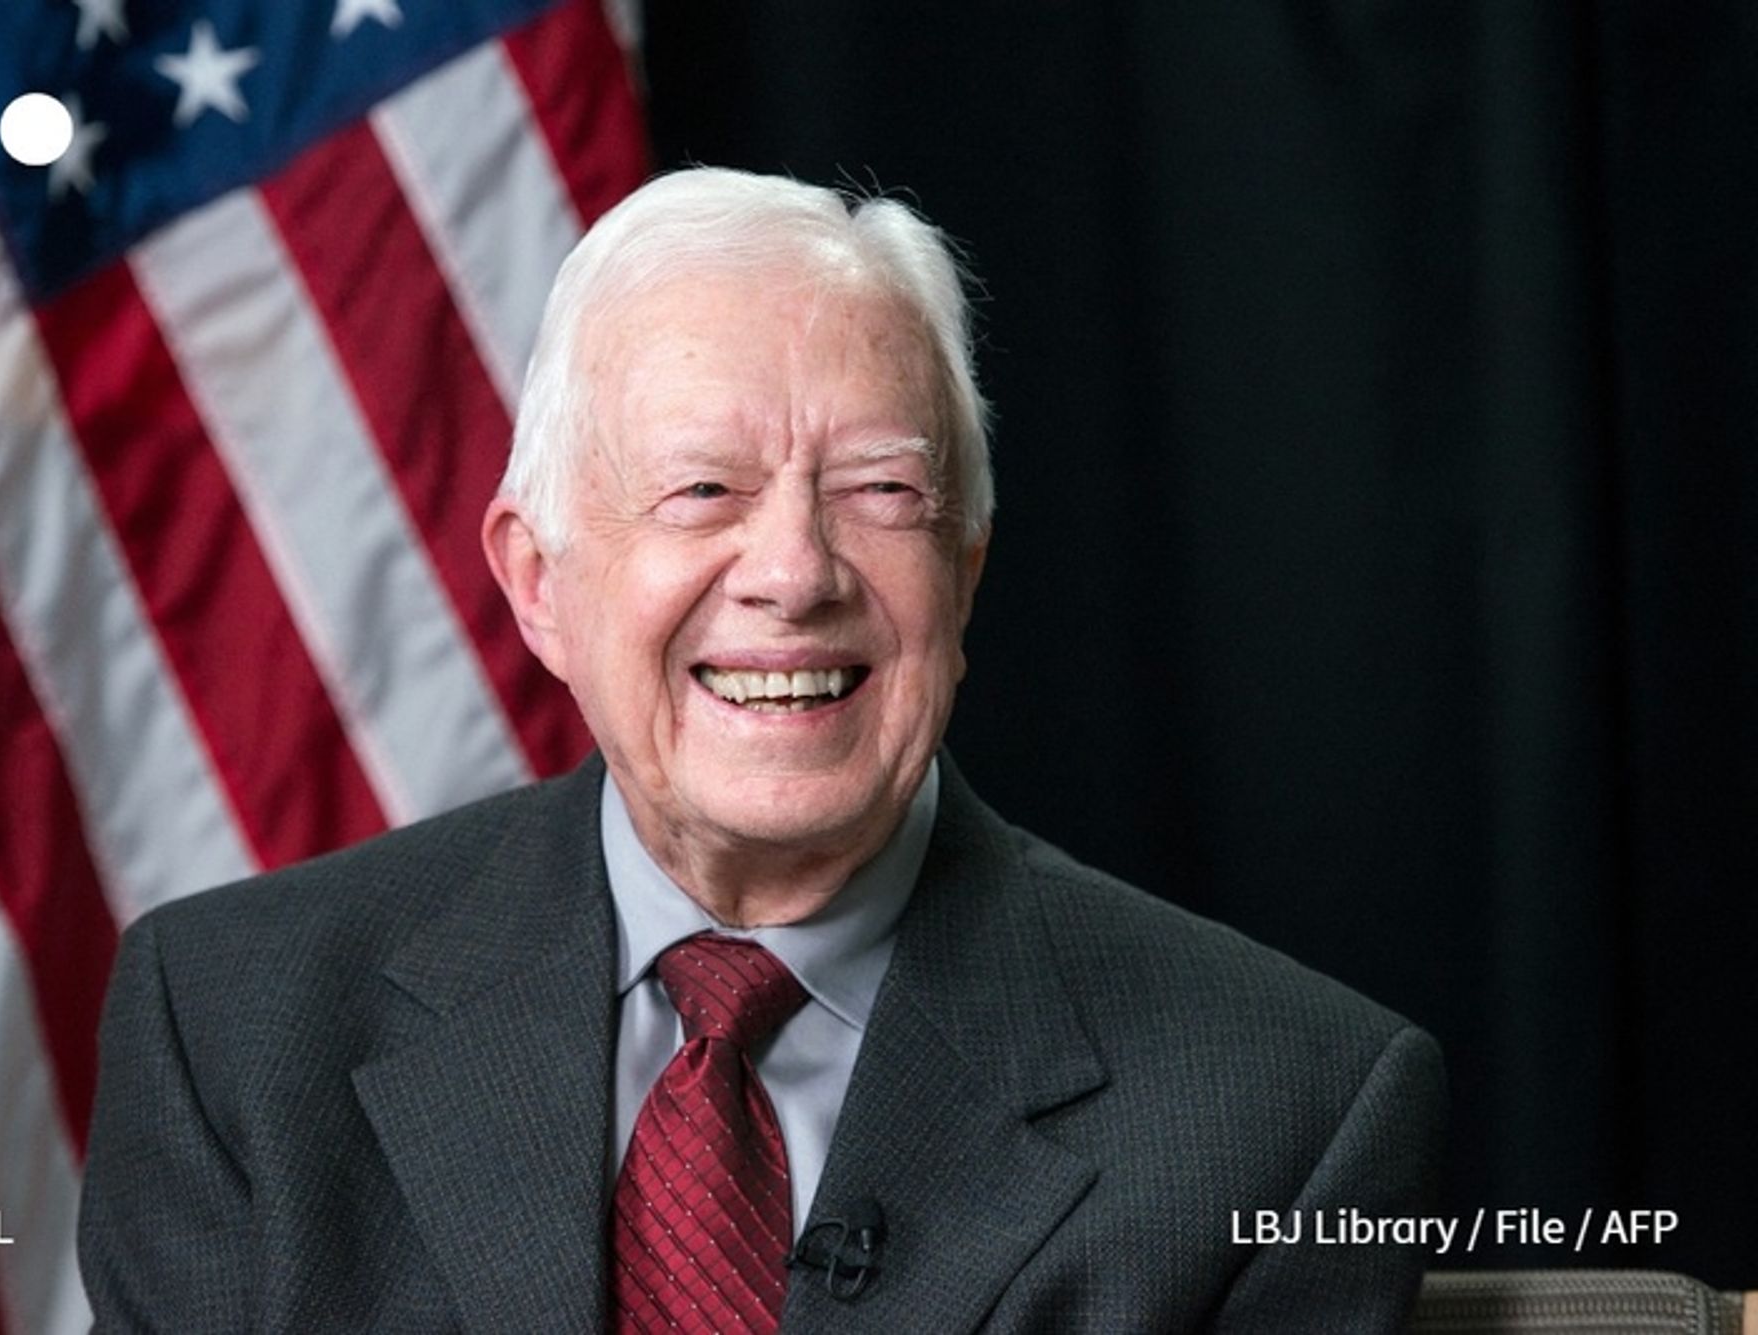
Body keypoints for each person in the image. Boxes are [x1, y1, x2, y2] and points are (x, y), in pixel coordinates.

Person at [79, 167, 1446, 1332]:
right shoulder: (232, 1034)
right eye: (703, 491)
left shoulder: (1290, 1108)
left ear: (961, 573)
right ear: (540, 582)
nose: (793, 572)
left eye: (880, 492)